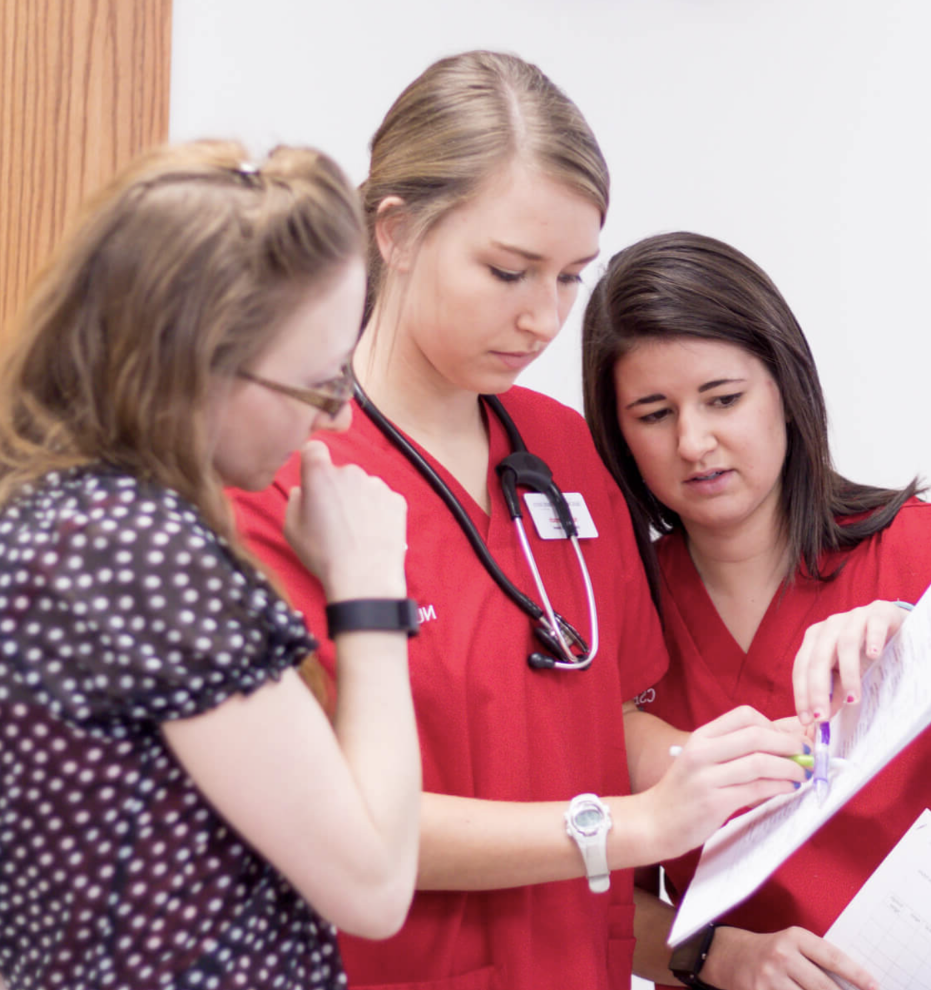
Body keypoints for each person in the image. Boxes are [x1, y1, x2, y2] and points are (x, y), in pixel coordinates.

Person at [232, 52, 810, 990]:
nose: (544, 319)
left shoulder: (567, 450)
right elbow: (328, 814)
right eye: (509, 272)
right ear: (396, 232)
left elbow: (598, 711)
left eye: (571, 278)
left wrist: (753, 763)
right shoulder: (282, 470)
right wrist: (635, 826)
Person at [0, 140, 423, 989]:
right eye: (318, 385)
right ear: (199, 366)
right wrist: (372, 593)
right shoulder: (133, 553)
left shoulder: (57, 519)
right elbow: (374, 883)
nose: (337, 421)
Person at [581, 230, 931, 990]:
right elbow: (581, 879)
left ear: (787, 392)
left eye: (723, 399)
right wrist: (710, 954)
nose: (695, 442)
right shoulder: (610, 617)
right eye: (654, 413)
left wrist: (927, 634)